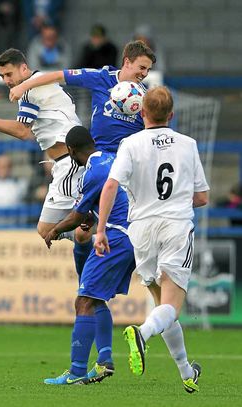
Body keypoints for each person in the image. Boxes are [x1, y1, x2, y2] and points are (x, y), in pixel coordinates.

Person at [94, 86, 209, 393]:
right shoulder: (188, 144)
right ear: (171, 115)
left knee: (162, 305)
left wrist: (101, 228)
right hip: (175, 227)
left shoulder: (129, 143)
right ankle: (142, 334)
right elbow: (201, 197)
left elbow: (110, 186)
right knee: (171, 306)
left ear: (140, 112)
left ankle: (187, 372)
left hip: (141, 230)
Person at [0, 48, 92, 274]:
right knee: (63, 227)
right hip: (67, 162)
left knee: (46, 229)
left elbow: (22, 131)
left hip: (69, 163)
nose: (6, 80)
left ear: (23, 68)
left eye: (9, 74)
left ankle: (100, 233)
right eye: (2, 76)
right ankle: (90, 229)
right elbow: (29, 132)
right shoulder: (39, 84)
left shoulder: (31, 90)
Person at [42, 125, 135, 385]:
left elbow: (75, 217)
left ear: (71, 151)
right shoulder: (110, 159)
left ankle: (76, 371)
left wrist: (55, 231)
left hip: (114, 239)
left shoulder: (93, 173)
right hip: (132, 237)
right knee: (95, 299)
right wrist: (91, 218)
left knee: (83, 301)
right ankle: (104, 359)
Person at [8, 40, 156, 154]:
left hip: (127, 157)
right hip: (99, 155)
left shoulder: (146, 97)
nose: (145, 74)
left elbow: (153, 131)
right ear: (127, 62)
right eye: (142, 68)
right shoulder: (101, 77)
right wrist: (23, 86)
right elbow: (59, 75)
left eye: (148, 70)